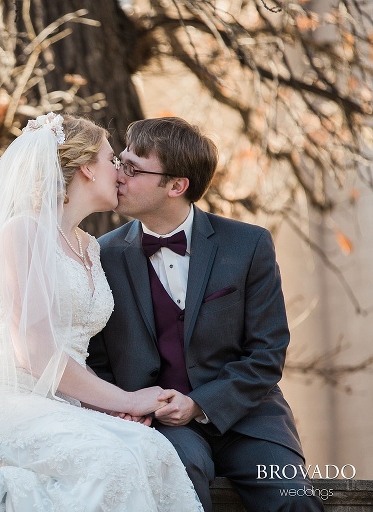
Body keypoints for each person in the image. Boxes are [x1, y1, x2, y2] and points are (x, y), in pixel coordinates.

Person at [0, 113, 202, 511]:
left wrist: (106, 406)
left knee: (153, 451)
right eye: (111, 160)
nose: (119, 171)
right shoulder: (22, 232)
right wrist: (125, 400)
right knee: (113, 461)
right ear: (86, 167)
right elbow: (34, 353)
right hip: (7, 400)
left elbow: (75, 351)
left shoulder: (90, 246)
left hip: (61, 401)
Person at [87, 117, 324, 512]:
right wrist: (126, 408)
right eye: (120, 162)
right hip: (159, 426)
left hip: (249, 419)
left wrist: (199, 404)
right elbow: (96, 358)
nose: (118, 176)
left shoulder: (248, 245)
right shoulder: (102, 254)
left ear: (177, 186)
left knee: (292, 500)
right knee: (180, 489)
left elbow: (267, 354)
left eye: (133, 168)